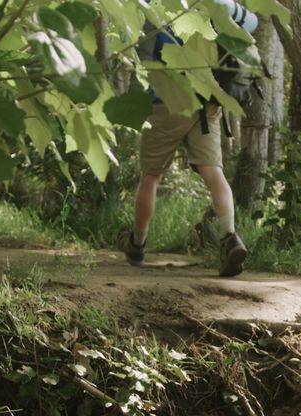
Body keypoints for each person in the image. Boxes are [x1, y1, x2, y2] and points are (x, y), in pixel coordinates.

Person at [117, 0, 257, 278]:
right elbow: (251, 23)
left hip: (164, 101)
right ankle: (230, 237)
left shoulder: (153, 8)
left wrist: (136, 103)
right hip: (207, 102)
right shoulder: (214, 3)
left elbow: (141, 56)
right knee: (213, 171)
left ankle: (137, 244)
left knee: (151, 176)